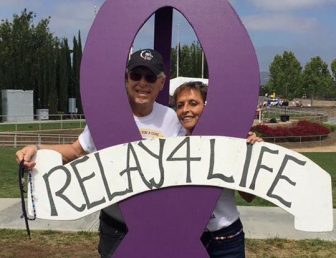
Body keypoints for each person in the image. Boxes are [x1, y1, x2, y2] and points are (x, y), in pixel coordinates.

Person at [16, 49, 185, 258]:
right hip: (115, 228)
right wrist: (36, 149)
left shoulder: (173, 119)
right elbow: (75, 151)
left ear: (161, 83)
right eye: (136, 75)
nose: (143, 83)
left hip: (158, 225)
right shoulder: (107, 116)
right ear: (126, 79)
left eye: (150, 77)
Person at [173, 81, 262, 258]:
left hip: (227, 239)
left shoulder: (229, 142)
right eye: (180, 105)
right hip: (188, 237)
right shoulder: (172, 146)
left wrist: (248, 153)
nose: (185, 110)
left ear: (207, 107)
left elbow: (249, 196)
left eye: (193, 103)